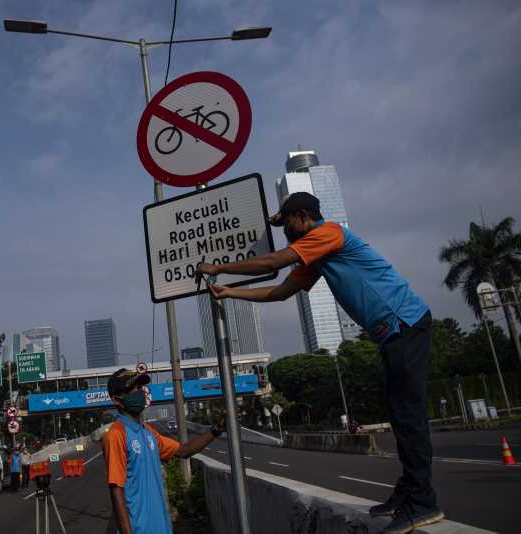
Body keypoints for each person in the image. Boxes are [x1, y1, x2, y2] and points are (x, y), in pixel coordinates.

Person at [198, 191, 443, 534]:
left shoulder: (329, 234)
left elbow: (273, 263)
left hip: (405, 322)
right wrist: (231, 292)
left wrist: (220, 268)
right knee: (399, 412)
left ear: (301, 216)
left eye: (286, 223)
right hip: (392, 333)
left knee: (408, 414)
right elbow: (281, 291)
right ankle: (410, 490)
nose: (285, 229)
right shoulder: (317, 255)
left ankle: (423, 501)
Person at [103, 368, 226, 534]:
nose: (138, 393)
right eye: (132, 390)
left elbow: (183, 451)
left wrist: (216, 430)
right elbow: (116, 489)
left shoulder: (149, 432)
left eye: (139, 388)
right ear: (117, 400)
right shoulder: (116, 435)